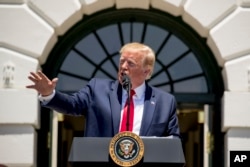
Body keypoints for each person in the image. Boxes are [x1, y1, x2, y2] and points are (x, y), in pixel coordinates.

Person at [26, 42, 180, 138]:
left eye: (131, 63)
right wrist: (49, 94)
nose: (123, 67)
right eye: (122, 62)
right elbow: (72, 105)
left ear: (146, 72)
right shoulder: (97, 89)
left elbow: (173, 142)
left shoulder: (164, 102)